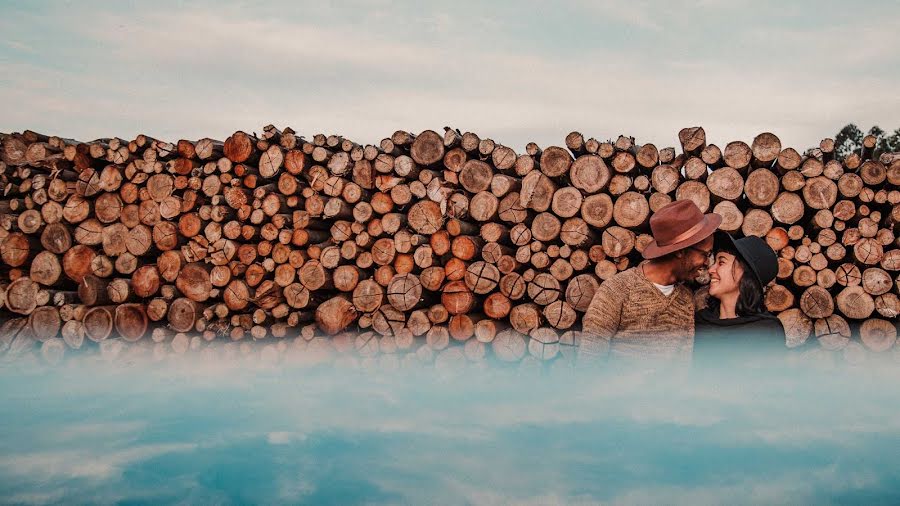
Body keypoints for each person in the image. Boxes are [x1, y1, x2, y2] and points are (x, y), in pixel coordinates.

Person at [578, 200, 721, 363]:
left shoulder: (686, 300)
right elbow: (589, 363)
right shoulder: (616, 290)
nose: (707, 263)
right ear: (681, 251)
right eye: (705, 254)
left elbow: (682, 367)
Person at [692, 232, 788, 363]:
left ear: (744, 273)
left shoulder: (766, 331)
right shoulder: (699, 322)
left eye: (721, 262)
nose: (710, 269)